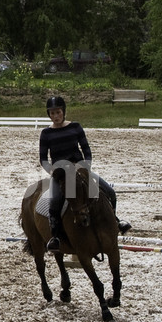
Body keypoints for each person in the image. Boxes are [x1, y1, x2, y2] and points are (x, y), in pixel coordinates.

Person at [39, 95, 130, 251]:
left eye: (58, 112)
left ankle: (115, 221)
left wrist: (85, 165)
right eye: (52, 113)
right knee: (54, 202)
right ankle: (55, 237)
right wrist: (51, 170)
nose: (56, 116)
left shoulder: (75, 127)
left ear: (63, 111)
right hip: (60, 174)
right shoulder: (46, 133)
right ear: (49, 115)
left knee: (109, 191)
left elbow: (86, 150)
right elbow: (43, 159)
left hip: (80, 169)